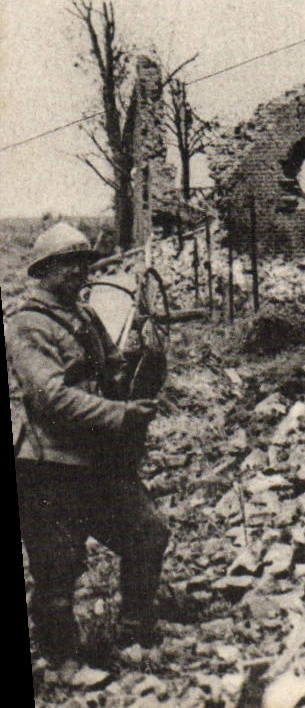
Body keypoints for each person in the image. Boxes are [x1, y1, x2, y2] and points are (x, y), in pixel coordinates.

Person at [7, 222, 169, 665]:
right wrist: (120, 415)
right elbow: (50, 397)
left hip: (98, 461)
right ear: (44, 271)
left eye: (85, 263)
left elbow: (113, 369)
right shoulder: (27, 325)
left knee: (147, 533)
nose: (81, 272)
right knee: (58, 570)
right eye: (69, 264)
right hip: (49, 467)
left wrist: (139, 365)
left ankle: (134, 631)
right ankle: (61, 661)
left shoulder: (85, 316)